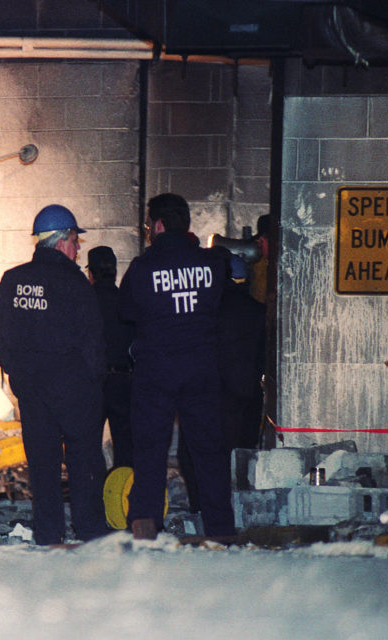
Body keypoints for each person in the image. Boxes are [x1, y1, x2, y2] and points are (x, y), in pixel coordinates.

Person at [118, 193, 236, 540]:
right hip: (201, 366)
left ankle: (145, 522)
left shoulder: (143, 268)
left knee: (150, 448)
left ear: (156, 225)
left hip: (156, 370)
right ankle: (221, 528)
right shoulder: (212, 264)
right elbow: (219, 304)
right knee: (208, 450)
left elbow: (125, 311)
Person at [0, 204, 109, 545]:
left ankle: (48, 532)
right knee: (83, 462)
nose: (78, 248)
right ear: (60, 242)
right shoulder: (75, 283)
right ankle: (89, 529)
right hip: (74, 390)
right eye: (75, 240)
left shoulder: (13, 280)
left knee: (42, 464)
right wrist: (93, 382)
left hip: (32, 390)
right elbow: (93, 342)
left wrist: (19, 373)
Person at [177, 248, 266, 512]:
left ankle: (201, 508)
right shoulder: (258, 312)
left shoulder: (206, 309)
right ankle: (238, 509)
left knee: (196, 455)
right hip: (248, 398)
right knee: (241, 458)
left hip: (211, 395)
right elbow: (263, 358)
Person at [87, 246, 135, 469]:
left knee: (88, 445)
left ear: (91, 273)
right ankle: (121, 497)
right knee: (125, 447)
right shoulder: (126, 301)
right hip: (123, 380)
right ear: (115, 272)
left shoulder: (84, 302)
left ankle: (93, 497)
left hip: (92, 382)